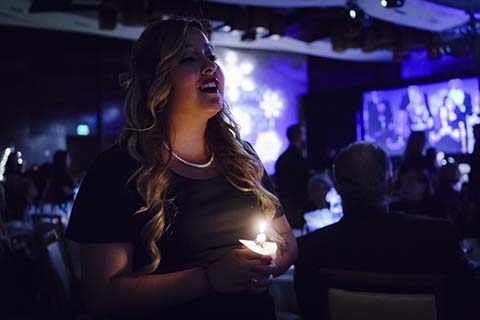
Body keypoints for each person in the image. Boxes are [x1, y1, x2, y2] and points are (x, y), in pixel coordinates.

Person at [66, 18, 297, 320]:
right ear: (156, 81)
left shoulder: (243, 157)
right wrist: (210, 279)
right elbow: (101, 297)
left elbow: (287, 243)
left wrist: (262, 266)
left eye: (211, 55)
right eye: (189, 57)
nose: (209, 65)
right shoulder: (116, 170)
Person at [294, 142, 475, 320]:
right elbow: (466, 305)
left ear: (336, 186)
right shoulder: (438, 237)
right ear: (390, 184)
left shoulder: (309, 250)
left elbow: (310, 312)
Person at [274, 124, 310, 229]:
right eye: (303, 134)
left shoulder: (282, 158)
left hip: (286, 207)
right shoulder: (298, 159)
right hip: (298, 208)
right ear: (298, 136)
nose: (305, 138)